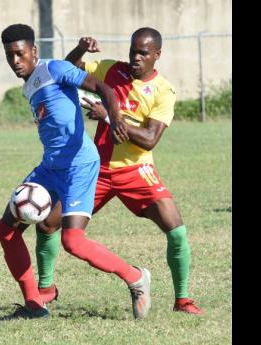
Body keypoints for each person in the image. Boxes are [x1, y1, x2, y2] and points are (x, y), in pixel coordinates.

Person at [37, 27, 204, 315]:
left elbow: (150, 138)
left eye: (143, 53)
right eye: (133, 50)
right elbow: (68, 68)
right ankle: (45, 290)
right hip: (94, 170)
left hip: (136, 170)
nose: (135, 57)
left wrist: (111, 116)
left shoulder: (164, 90)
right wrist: (79, 49)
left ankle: (183, 299)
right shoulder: (109, 69)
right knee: (47, 223)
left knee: (176, 231)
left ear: (157, 55)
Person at [0, 24, 151, 320]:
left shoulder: (52, 68)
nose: (15, 61)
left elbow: (104, 88)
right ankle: (34, 305)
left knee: (73, 241)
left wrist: (115, 118)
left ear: (34, 52)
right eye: (9, 55)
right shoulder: (29, 83)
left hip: (79, 165)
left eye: (20, 54)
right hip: (50, 166)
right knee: (5, 230)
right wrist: (77, 49)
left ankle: (136, 277)